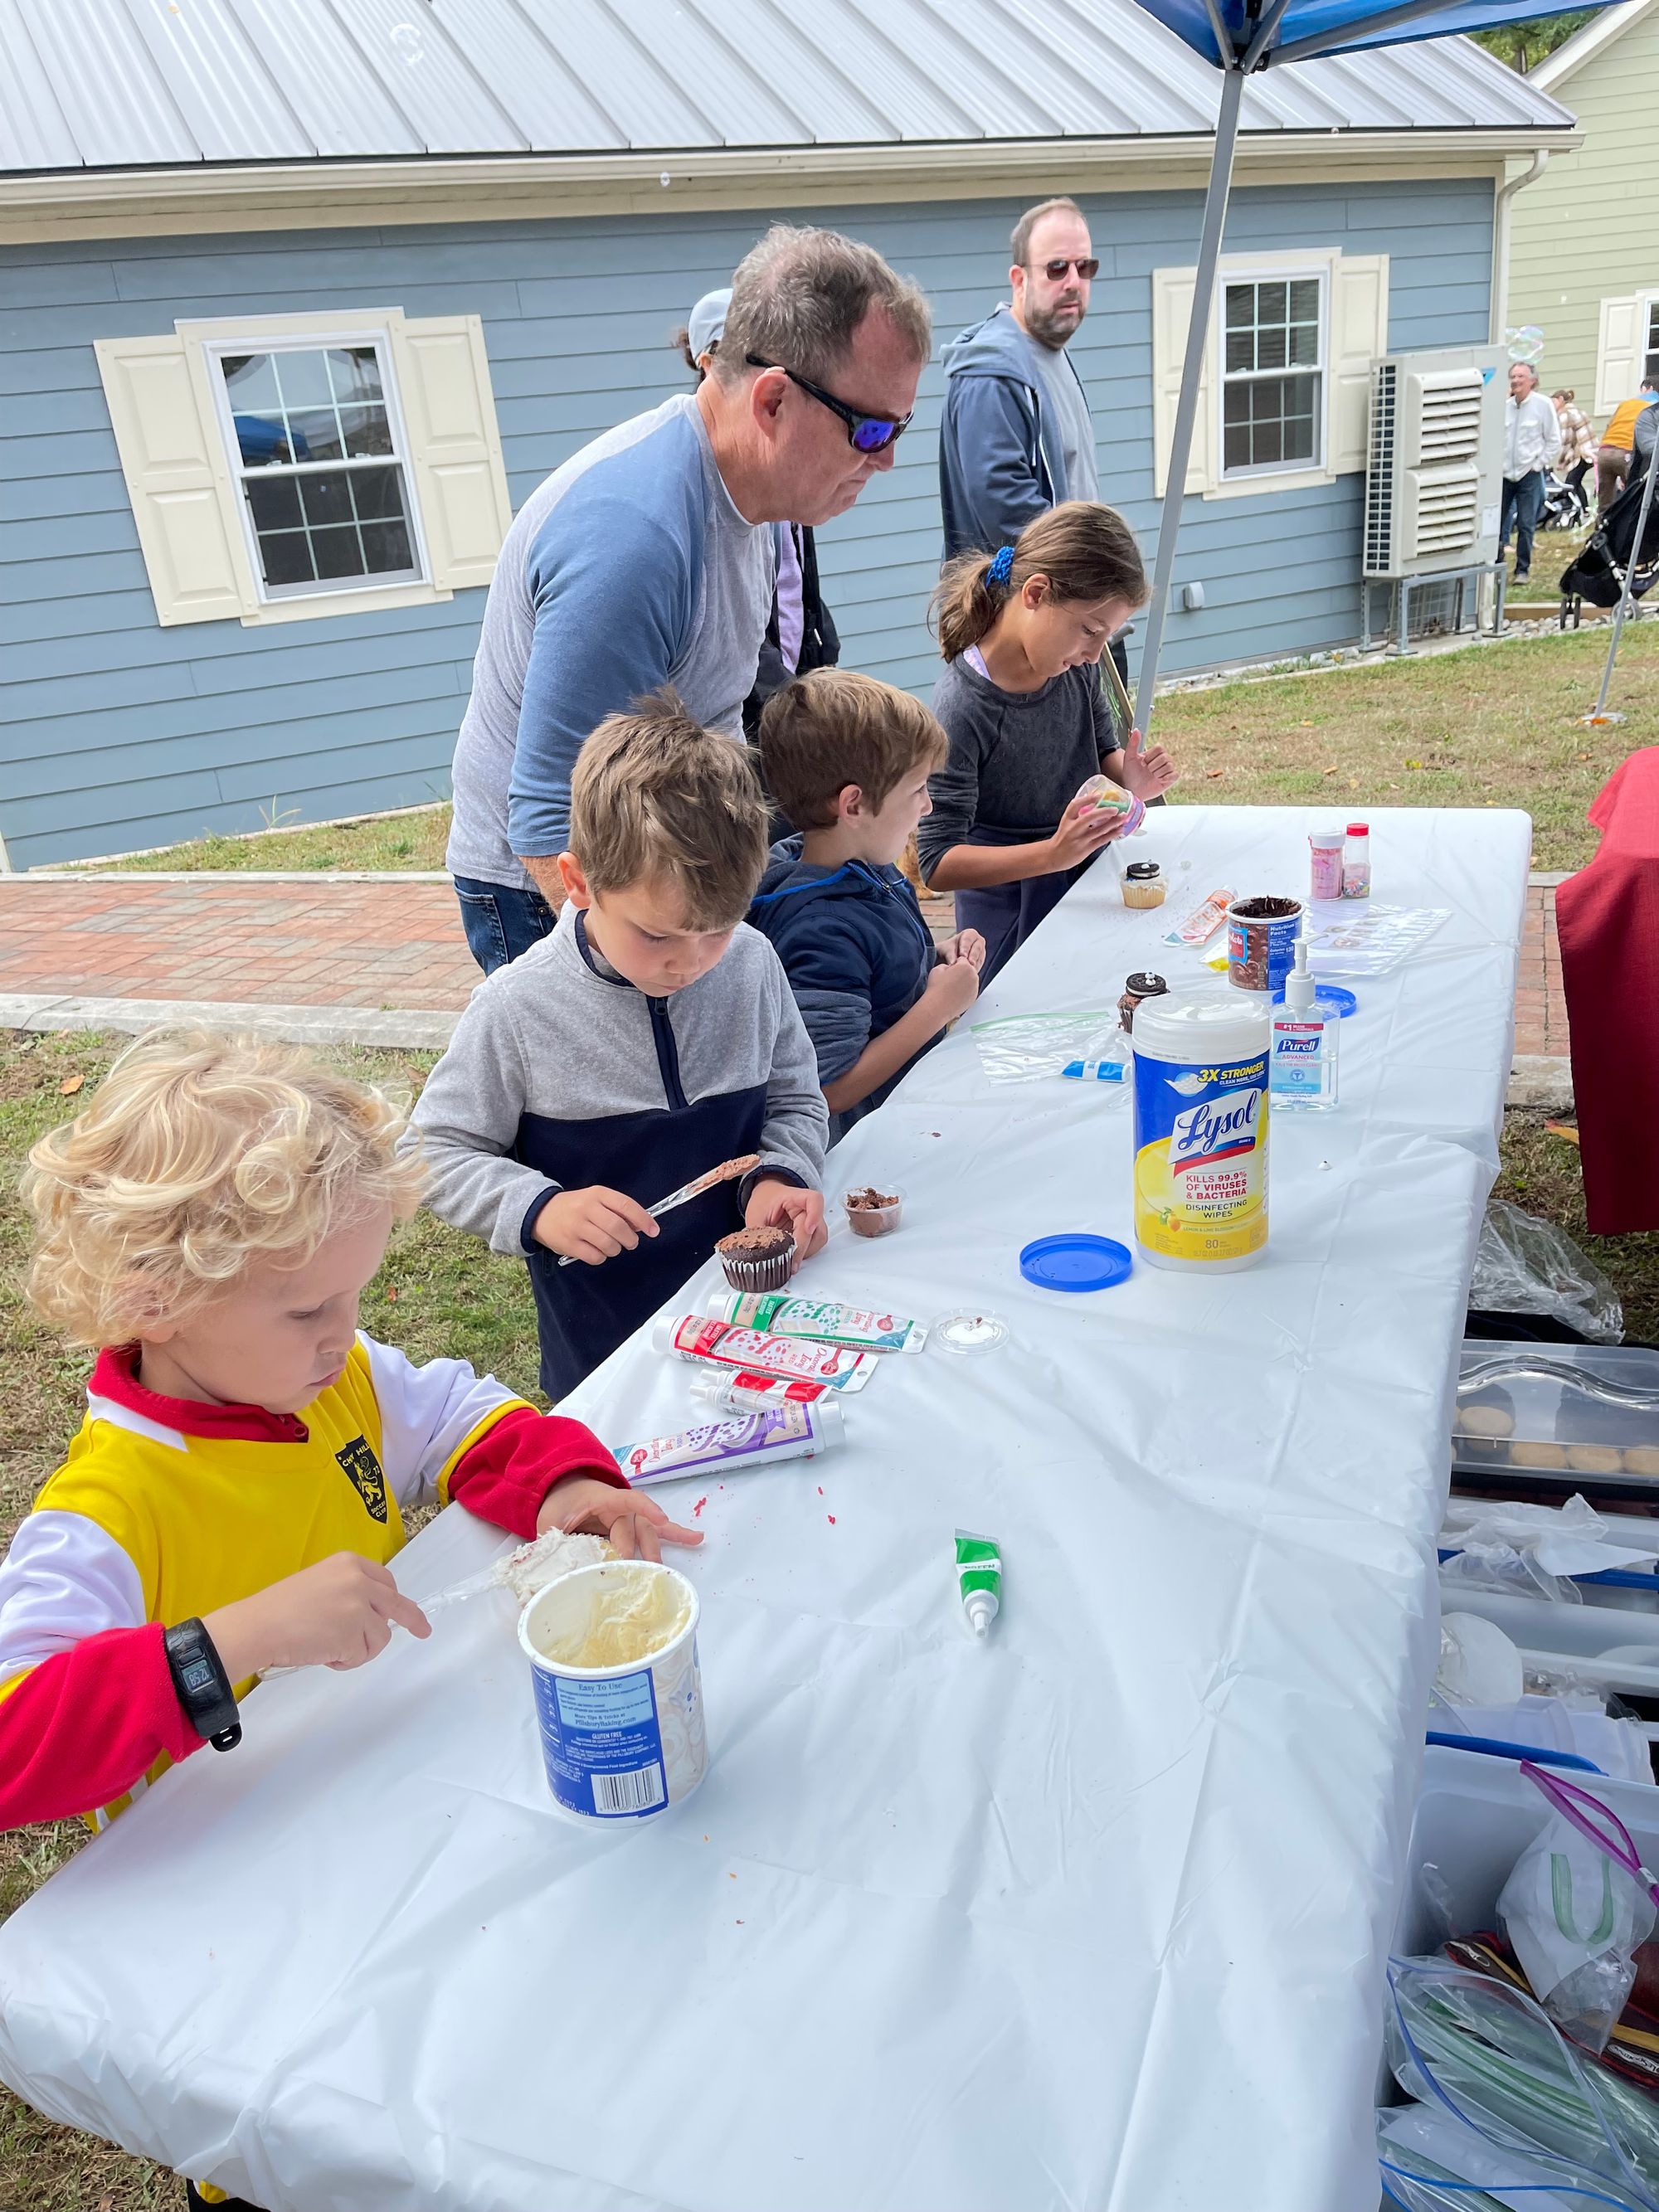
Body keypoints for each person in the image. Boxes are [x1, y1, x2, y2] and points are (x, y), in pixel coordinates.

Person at [0, 1036, 684, 2209]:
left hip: (400, 1823)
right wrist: (232, 1639)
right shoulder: (105, 1514)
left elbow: (461, 1413)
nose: (344, 1332)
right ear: (149, 1297)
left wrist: (561, 1482)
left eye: (356, 1292)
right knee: (318, 2140)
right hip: (248, 1937)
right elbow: (14, 1749)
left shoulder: (331, 1375)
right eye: (310, 1304)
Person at [446, 226, 929, 975]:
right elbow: (548, 825)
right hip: (551, 887)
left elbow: (718, 715)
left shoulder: (758, 500)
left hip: (667, 856)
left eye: (900, 427)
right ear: (772, 402)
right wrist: (669, 979)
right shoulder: (633, 543)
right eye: (871, 428)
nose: (888, 457)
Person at [412, 698, 829, 1400]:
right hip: (606, 1354)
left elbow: (794, 1097)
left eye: (719, 926)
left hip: (753, 1321)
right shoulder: (518, 1008)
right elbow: (430, 1151)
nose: (692, 961)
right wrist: (541, 1208)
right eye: (659, 935)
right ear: (578, 882)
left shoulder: (752, 963)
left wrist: (780, 1174)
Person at [917, 502, 1176, 985]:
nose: (1096, 653)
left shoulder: (1075, 666)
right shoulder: (964, 704)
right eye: (1090, 631)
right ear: (1036, 593)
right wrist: (1052, 854)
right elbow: (937, 862)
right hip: (1010, 927)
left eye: (1107, 637)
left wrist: (1128, 777)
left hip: (1085, 891)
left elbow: (1102, 755)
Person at [748, 670, 985, 1140]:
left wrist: (931, 959)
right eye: (917, 788)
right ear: (853, 805)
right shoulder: (819, 928)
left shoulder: (867, 866)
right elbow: (827, 1090)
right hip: (872, 1155)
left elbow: (874, 975)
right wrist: (936, 1008)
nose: (929, 806)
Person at [670, 289, 841, 736]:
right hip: (749, 712)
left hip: (795, 679)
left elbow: (796, 575)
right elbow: (728, 616)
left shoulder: (785, 455)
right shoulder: (712, 476)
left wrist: (821, 649)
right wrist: (786, 699)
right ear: (709, 362)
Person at [1501, 362, 1562, 585]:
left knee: (1526, 524)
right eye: (1513, 376)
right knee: (1497, 522)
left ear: (1532, 380)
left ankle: (1522, 570)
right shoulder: (1505, 407)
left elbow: (1554, 440)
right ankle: (1496, 568)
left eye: (1521, 376)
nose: (1516, 381)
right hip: (1505, 474)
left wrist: (1538, 464)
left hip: (1530, 473)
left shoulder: (1543, 405)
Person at [1595, 371, 1659, 512]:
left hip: (1605, 451)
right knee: (1632, 492)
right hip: (1625, 453)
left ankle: (1602, 528)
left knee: (1605, 498)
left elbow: (1609, 425)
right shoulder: (1653, 409)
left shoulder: (1626, 403)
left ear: (1648, 389)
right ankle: (1627, 526)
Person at [1552, 388, 1596, 503]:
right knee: (1576, 482)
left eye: (1553, 402)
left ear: (1560, 400)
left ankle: (1574, 513)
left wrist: (1561, 462)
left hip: (1582, 454)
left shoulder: (1565, 414)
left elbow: (1566, 440)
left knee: (1570, 485)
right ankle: (1585, 511)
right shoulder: (1577, 410)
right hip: (1591, 452)